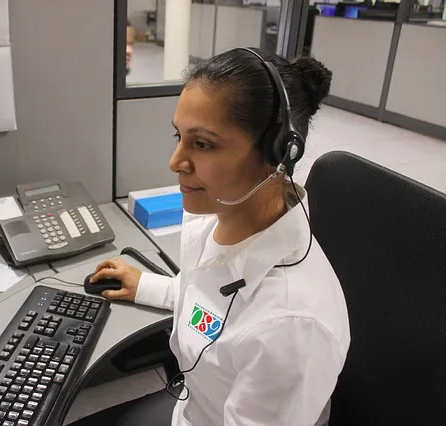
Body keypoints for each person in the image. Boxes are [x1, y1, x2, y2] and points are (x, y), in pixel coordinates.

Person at [73, 48, 350, 426]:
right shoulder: (218, 216)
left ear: (279, 153)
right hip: (191, 409)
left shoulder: (291, 326)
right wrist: (148, 287)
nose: (175, 161)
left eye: (202, 144)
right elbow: (209, 298)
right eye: (179, 136)